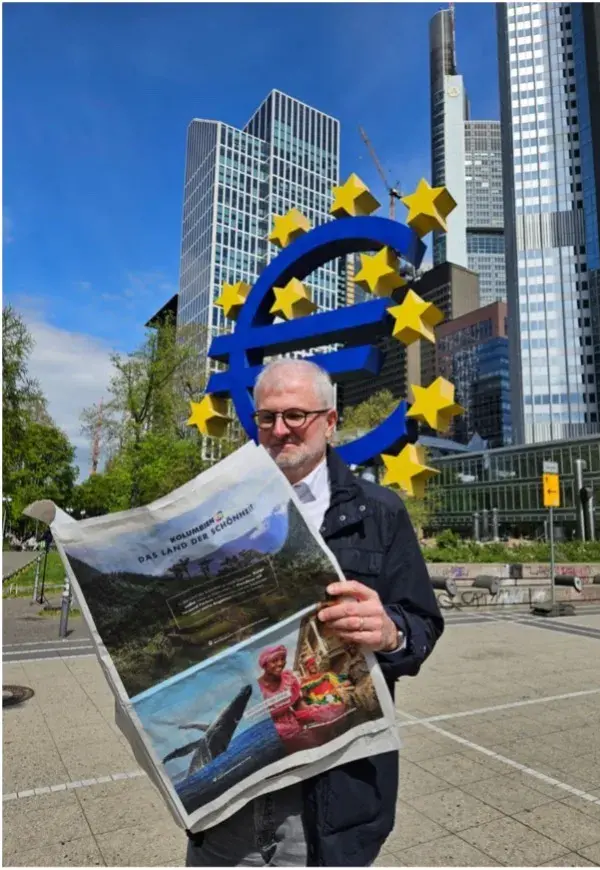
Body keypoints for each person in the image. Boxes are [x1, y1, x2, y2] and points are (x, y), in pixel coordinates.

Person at [187, 359, 444, 867]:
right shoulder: (217, 512)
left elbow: (423, 622)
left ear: (329, 422)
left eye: (295, 416)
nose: (279, 430)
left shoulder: (381, 513)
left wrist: (392, 633)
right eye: (266, 418)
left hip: (328, 795)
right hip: (230, 793)